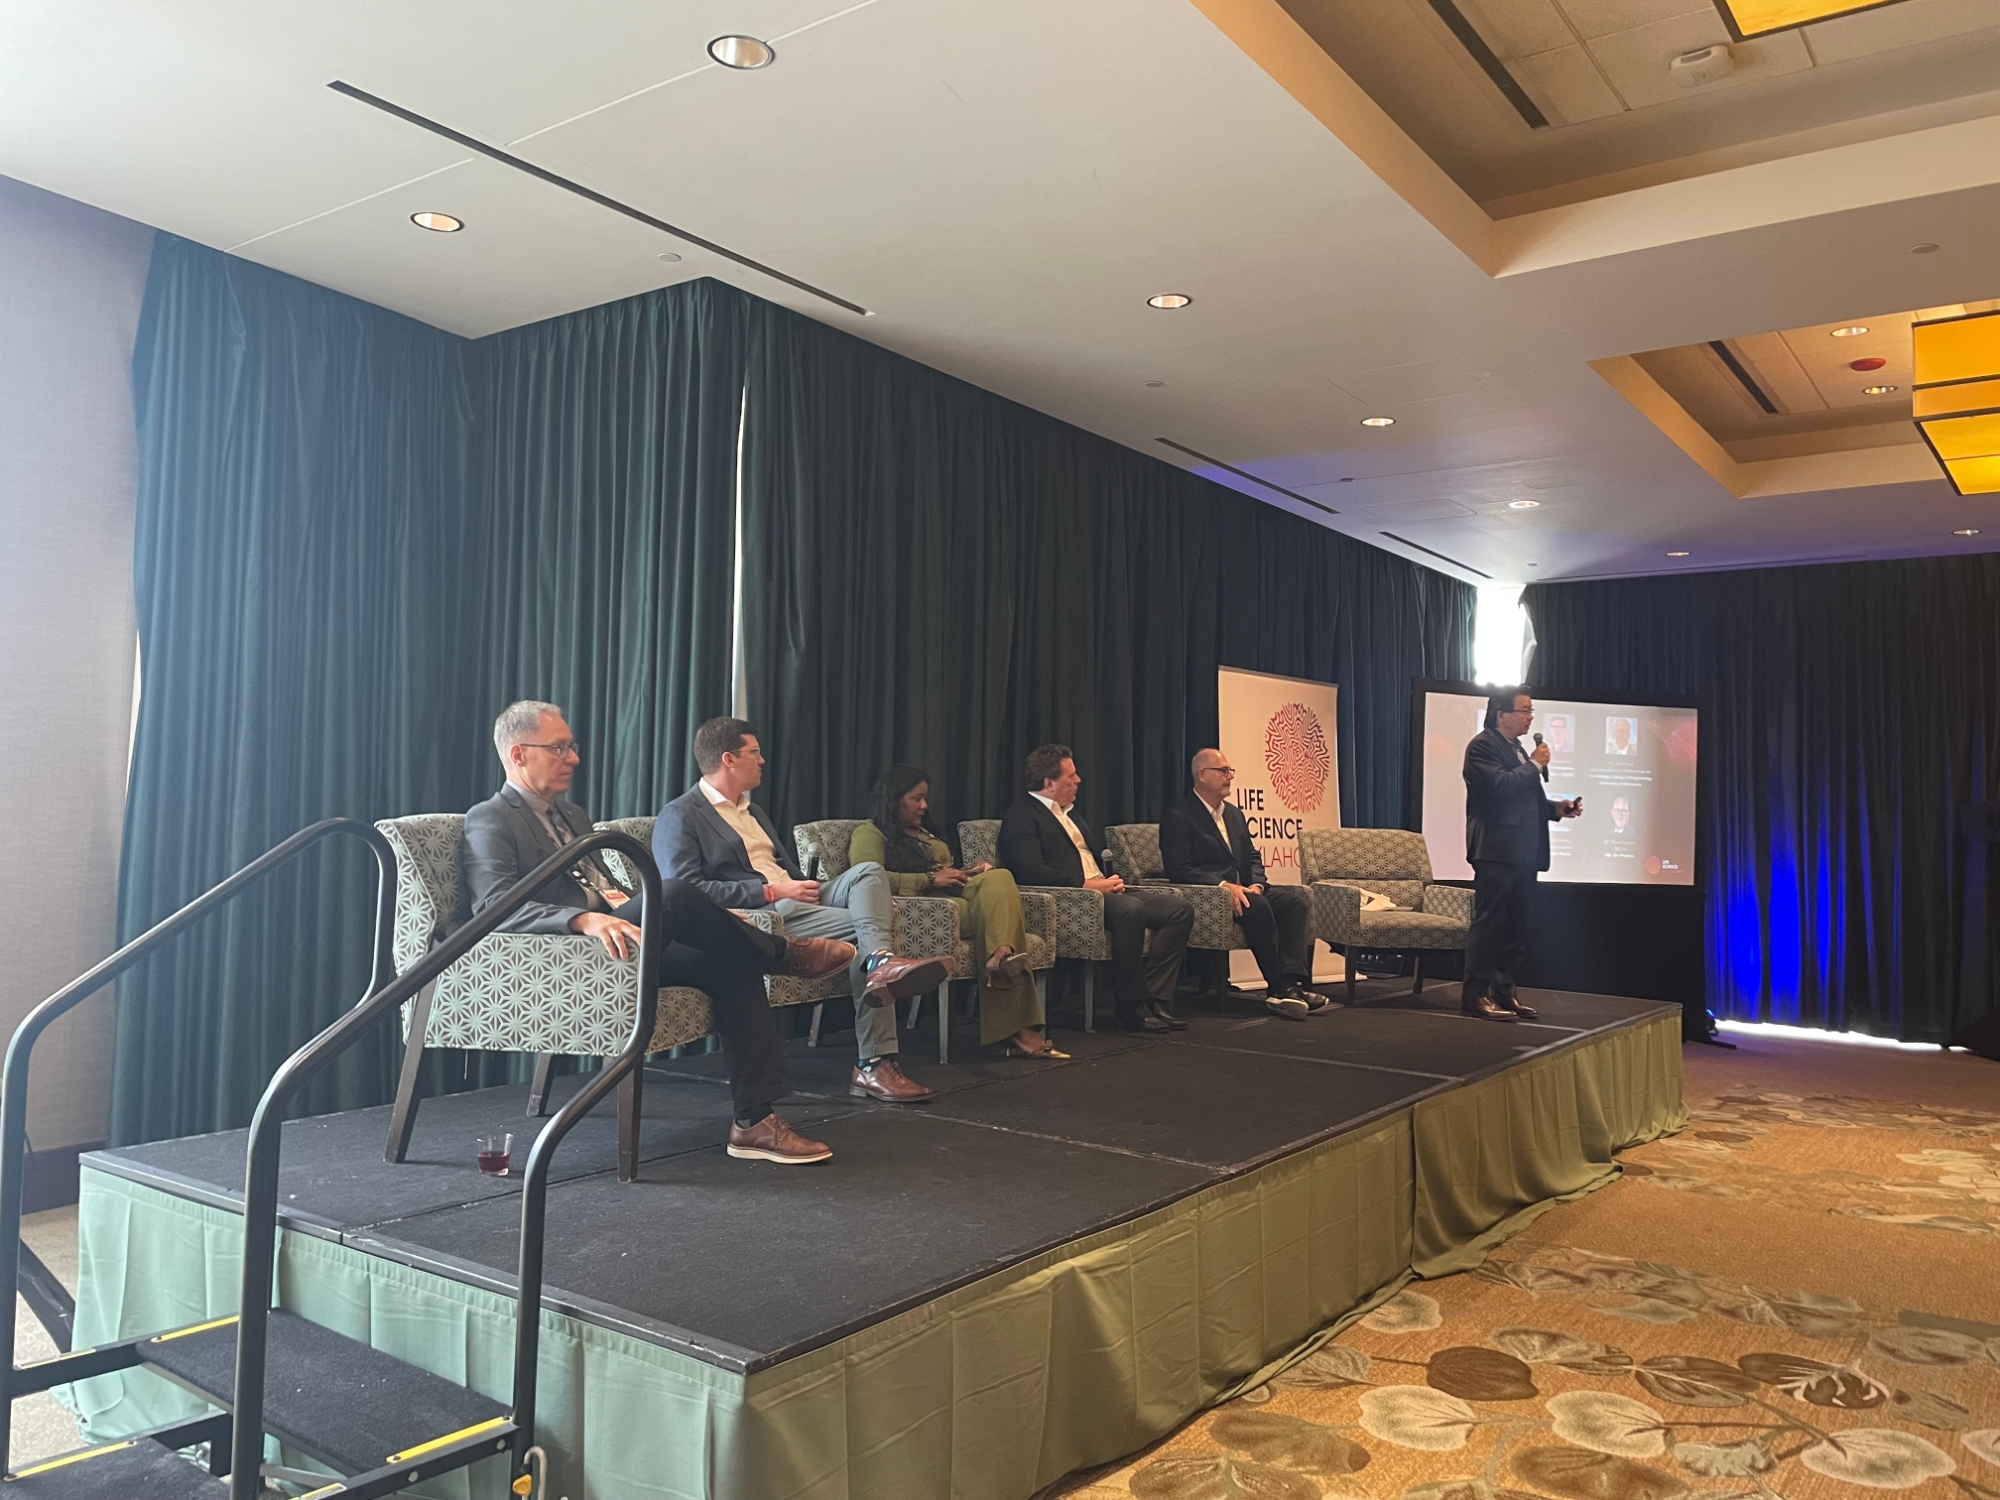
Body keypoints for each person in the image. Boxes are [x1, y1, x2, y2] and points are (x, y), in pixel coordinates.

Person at [465, 701, 854, 1165]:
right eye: (560, 747)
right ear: (518, 754)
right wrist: (580, 920)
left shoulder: (573, 816)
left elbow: (608, 889)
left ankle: (754, 1122)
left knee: (731, 960)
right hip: (570, 951)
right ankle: (783, 953)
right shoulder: (490, 817)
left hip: (621, 938)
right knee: (675, 891)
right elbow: (492, 908)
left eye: (572, 746)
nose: (574, 758)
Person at [654, 717, 951, 1104]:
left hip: (801, 896)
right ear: (728, 758)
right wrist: (769, 890)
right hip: (768, 910)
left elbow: (785, 867)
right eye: (754, 753)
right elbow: (684, 890)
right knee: (869, 932)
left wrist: (851, 899)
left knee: (868, 875)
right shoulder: (681, 814)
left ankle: (881, 960)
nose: (762, 761)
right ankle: (874, 1063)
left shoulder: (753, 811)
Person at [850, 765, 1065, 1058]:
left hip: (953, 899)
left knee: (998, 876)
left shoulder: (923, 832)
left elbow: (943, 874)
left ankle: (1000, 954)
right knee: (999, 916)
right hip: (926, 912)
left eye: (925, 798)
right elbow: (865, 879)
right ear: (894, 799)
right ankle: (1011, 1004)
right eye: (917, 798)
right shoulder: (870, 832)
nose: (924, 806)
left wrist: (968, 871)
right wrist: (928, 879)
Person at [998, 744, 1192, 1034]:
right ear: (1049, 783)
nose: (1078, 781)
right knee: (1131, 910)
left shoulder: (1072, 815)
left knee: (1179, 909)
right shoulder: (1022, 816)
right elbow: (1029, 870)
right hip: (1072, 899)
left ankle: (1155, 998)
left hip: (1101, 889)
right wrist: (1088, 885)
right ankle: (1130, 1007)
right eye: (1071, 776)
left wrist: (1106, 882)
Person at [1159, 748, 1325, 1021]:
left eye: (1230, 771)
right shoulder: (1178, 816)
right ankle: (1278, 986)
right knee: (1256, 906)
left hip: (1248, 891)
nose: (1230, 777)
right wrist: (1223, 884)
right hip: (1212, 898)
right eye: (1223, 771)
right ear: (1202, 775)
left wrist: (1257, 883)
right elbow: (1179, 869)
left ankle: (1293, 985)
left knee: (1294, 903)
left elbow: (1251, 856)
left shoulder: (1234, 814)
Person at [1461, 689, 1582, 1023]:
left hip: (1525, 853)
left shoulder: (1516, 749)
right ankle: (1475, 995)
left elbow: (1523, 801)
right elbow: (1500, 788)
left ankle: (1504, 991)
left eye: (1532, 711)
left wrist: (1557, 809)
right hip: (1496, 852)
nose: (1530, 716)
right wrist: (1534, 764)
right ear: (1502, 714)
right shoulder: (1483, 746)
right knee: (1490, 926)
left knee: (1516, 927)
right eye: (1524, 710)